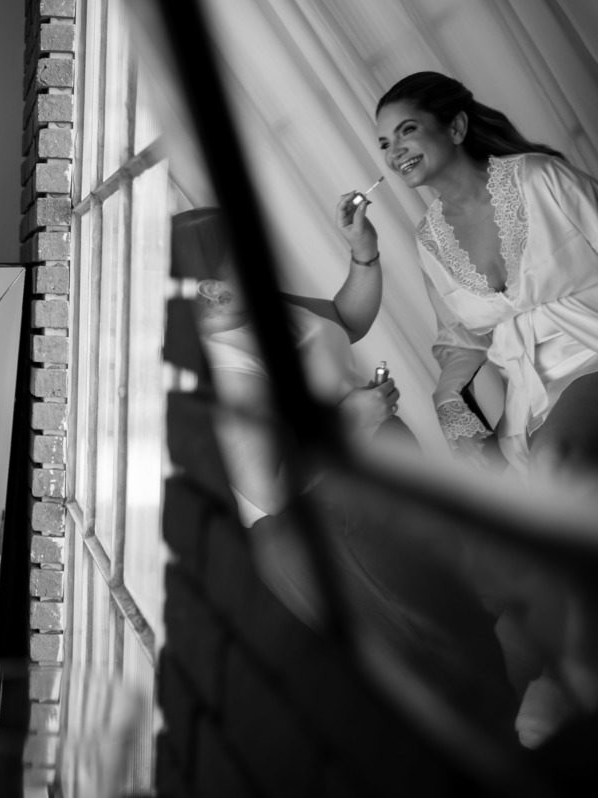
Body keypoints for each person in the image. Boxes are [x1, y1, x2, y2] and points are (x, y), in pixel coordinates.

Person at [184, 208, 518, 739]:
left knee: (468, 621)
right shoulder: (228, 369)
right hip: (335, 529)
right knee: (445, 660)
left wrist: (364, 253)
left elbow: (346, 318)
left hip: (372, 499)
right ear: (209, 292)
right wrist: (348, 421)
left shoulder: (260, 309)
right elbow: (267, 490)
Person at [363, 71, 598, 493]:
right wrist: (449, 400)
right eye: (384, 144)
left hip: (590, 350)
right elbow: (458, 337)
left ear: (455, 127)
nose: (395, 152)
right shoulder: (430, 239)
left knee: (552, 461)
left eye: (407, 131)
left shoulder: (541, 177)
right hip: (532, 392)